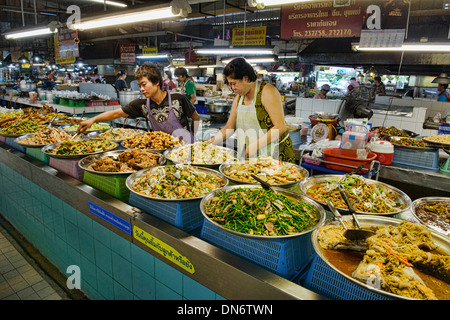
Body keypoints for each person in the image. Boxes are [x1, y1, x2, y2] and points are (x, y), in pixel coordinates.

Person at [78, 63, 200, 143]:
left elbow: (196, 117)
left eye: (144, 84)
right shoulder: (141, 104)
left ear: (156, 82)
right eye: (139, 85)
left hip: (185, 148)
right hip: (162, 149)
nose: (141, 89)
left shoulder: (177, 98)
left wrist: (191, 136)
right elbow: (115, 114)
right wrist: (93, 120)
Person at [207, 57, 295, 163]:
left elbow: (280, 127)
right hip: (251, 156)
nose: (233, 88)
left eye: (234, 83)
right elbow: (229, 128)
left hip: (274, 155)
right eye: (230, 84)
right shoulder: (239, 98)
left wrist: (254, 146)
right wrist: (208, 144)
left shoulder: (267, 92)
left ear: (246, 78)